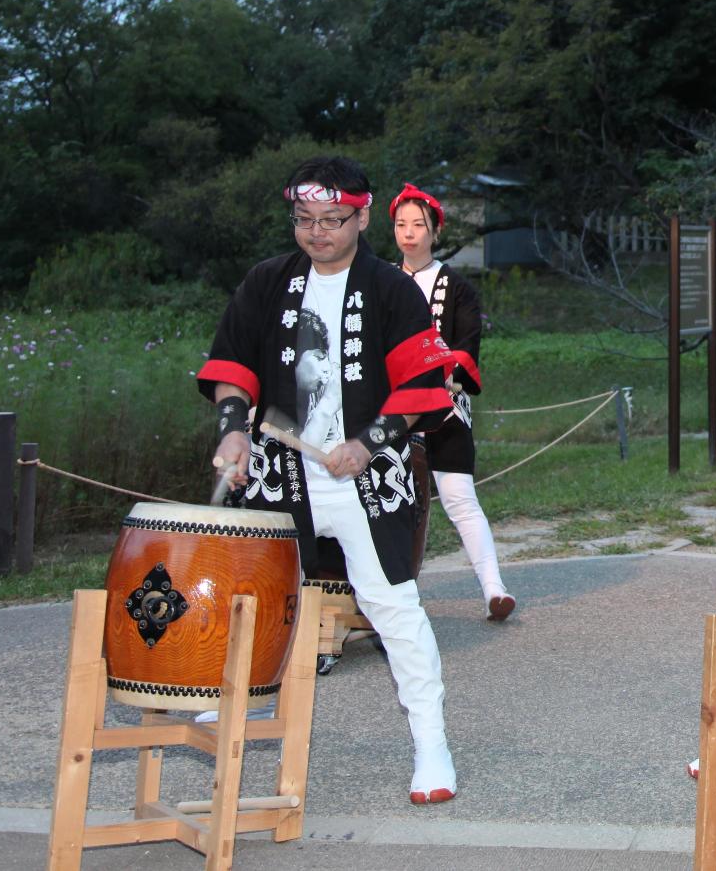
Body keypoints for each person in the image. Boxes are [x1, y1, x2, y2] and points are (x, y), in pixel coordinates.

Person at [200, 156, 462, 804]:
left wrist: (370, 441)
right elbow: (234, 366)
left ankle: (432, 745)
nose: (318, 233)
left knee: (392, 607)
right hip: (282, 468)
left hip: (366, 475)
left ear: (362, 215)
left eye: (333, 220)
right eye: (305, 220)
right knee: (254, 599)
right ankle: (243, 700)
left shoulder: (391, 290)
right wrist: (234, 426)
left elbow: (423, 387)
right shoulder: (266, 282)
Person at [389, 182, 515, 622]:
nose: (409, 233)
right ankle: (388, 600)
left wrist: (432, 377)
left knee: (460, 497)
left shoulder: (456, 287)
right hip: (387, 413)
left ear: (434, 231)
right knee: (385, 503)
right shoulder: (380, 282)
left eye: (418, 224)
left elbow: (465, 349)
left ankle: (493, 588)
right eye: (401, 224)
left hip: (443, 406)